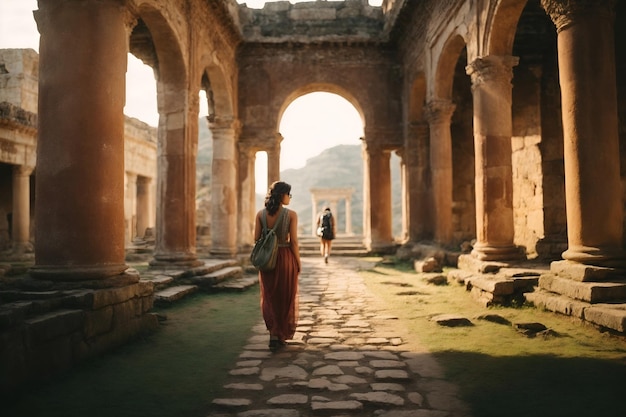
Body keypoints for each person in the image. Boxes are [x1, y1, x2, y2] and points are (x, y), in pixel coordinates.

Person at [254, 181, 301, 351]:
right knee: (285, 295)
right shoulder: (291, 215)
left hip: (267, 260)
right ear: (282, 195)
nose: (290, 197)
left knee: (269, 296)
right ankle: (281, 333)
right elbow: (294, 242)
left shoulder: (260, 214)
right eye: (289, 194)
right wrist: (298, 261)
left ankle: (273, 334)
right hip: (285, 258)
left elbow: (256, 239)